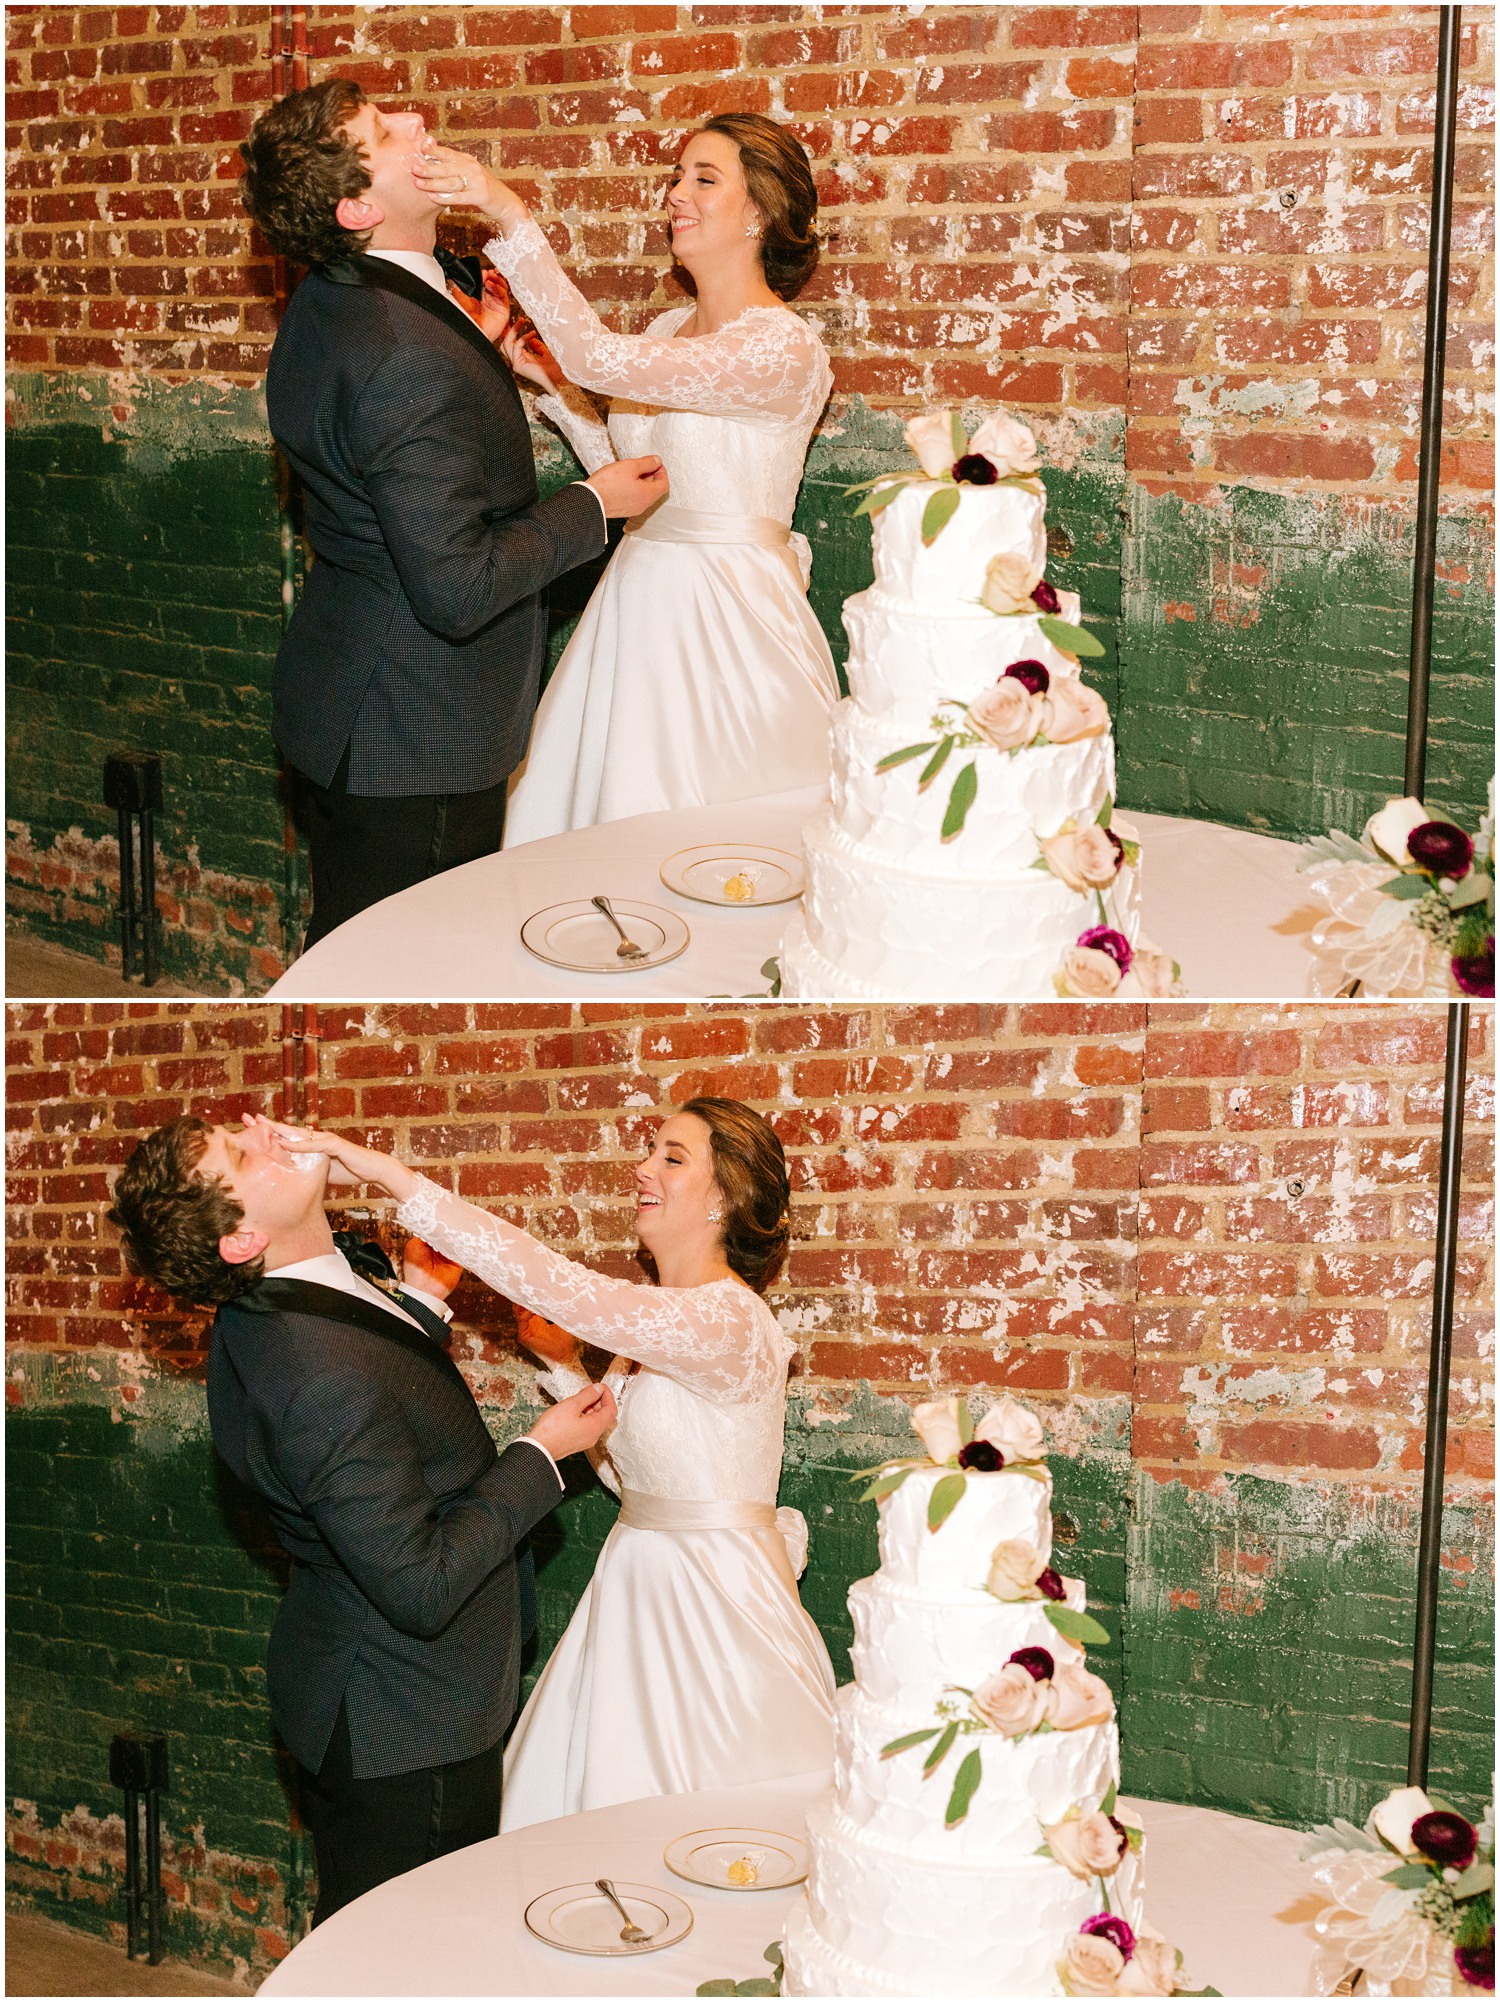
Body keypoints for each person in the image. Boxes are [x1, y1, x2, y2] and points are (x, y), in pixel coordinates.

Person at [251, 1096, 838, 1829]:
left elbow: (553, 1280)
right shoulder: (662, 1319)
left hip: (713, 1604)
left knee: (715, 1822)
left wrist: (386, 1175)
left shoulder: (724, 1319)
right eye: (650, 1150)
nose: (643, 1168)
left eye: (672, 1157)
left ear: (725, 1196)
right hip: (635, 1586)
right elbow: (634, 1479)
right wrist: (564, 1371)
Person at [106, 1114, 615, 1920]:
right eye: (243, 1156)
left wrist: (422, 1300)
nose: (271, 1135)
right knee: (409, 1959)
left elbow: (365, 1386)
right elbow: (421, 1583)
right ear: (239, 1241)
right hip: (407, 1726)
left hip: (395, 1693)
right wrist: (541, 1454)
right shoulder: (312, 1375)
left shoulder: (278, 1302)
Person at [238, 80, 670, 944]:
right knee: (407, 966)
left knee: (358, 948)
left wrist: (480, 353)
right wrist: (595, 503)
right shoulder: (402, 357)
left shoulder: (335, 294)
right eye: (385, 132)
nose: (416, 122)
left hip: (354, 693)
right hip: (414, 732)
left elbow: (379, 417)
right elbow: (458, 586)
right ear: (359, 205)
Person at [409, 114, 841, 843]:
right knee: (601, 831)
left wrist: (509, 214)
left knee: (722, 841)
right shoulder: (668, 331)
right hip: (635, 600)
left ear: (760, 213)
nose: (677, 192)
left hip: (729, 621)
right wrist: (545, 381)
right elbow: (631, 466)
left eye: (705, 179)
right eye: (677, 176)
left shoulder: (783, 349)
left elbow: (598, 360)